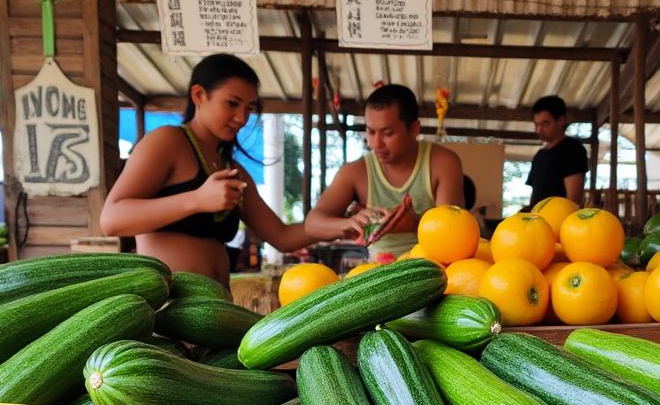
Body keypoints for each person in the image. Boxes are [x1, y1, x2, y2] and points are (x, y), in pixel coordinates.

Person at [101, 54, 315, 288]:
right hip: (169, 310)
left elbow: (282, 236)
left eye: (249, 108)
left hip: (218, 308)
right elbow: (112, 219)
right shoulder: (168, 141)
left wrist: (340, 226)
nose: (242, 118)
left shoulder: (232, 169)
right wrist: (197, 199)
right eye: (232, 104)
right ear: (198, 95)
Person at [306, 84, 464, 257]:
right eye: (370, 132)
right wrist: (348, 224)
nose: (376, 143)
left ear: (414, 129)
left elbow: (452, 235)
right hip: (377, 272)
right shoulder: (356, 172)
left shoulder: (443, 163)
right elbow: (312, 224)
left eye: (387, 133)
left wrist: (414, 224)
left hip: (431, 269)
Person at [526, 95, 588, 207]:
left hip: (559, 220)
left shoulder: (572, 150)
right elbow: (535, 195)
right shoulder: (539, 155)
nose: (539, 129)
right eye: (536, 124)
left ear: (561, 120)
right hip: (537, 220)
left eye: (545, 124)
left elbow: (574, 200)